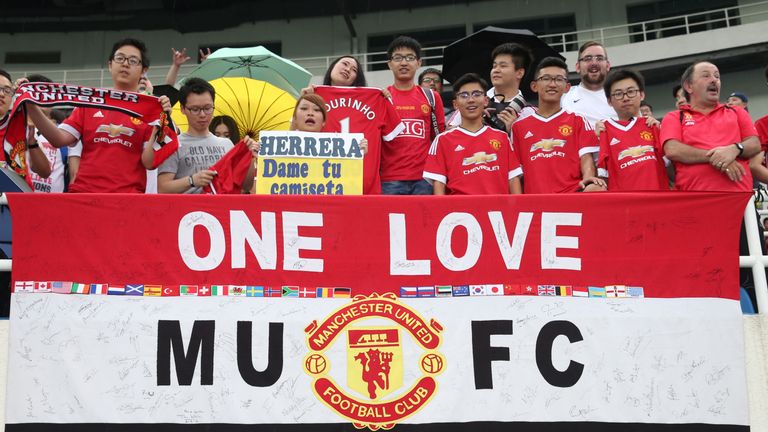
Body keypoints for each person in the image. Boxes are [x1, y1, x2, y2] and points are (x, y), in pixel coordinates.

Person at [25, 38, 172, 193]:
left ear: (144, 70)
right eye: (120, 58)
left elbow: (149, 162)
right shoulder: (89, 104)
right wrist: (30, 105)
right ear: (110, 65)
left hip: (127, 201)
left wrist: (159, 124)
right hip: (85, 197)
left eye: (133, 60)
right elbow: (59, 139)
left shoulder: (149, 111)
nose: (125, 63)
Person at [306, 56, 403, 194]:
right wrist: (305, 99)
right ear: (332, 66)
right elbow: (298, 133)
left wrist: (385, 100)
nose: (347, 69)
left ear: (355, 78)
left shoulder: (375, 98)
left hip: (362, 184)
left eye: (354, 70)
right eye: (344, 64)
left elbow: (393, 140)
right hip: (322, 182)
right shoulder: (314, 97)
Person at [661, 61, 759, 192]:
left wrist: (735, 149)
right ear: (689, 86)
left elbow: (754, 143)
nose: (714, 80)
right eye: (706, 76)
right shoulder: (675, 117)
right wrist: (721, 157)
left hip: (739, 201)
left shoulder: (736, 112)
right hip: (694, 202)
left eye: (717, 76)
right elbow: (673, 150)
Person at [511, 57, 600, 194]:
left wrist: (588, 179)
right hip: (536, 200)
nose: (552, 84)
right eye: (546, 78)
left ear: (567, 87)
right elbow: (516, 173)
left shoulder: (577, 120)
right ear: (534, 86)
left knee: (596, 189)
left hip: (571, 194)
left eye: (559, 79)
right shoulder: (519, 127)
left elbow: (586, 158)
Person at [423, 73, 521, 195]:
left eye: (477, 94)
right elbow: (439, 184)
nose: (471, 100)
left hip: (498, 211)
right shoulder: (443, 140)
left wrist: (516, 208)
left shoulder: (502, 137)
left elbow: (513, 178)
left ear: (485, 100)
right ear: (455, 104)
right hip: (460, 212)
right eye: (464, 95)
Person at [158, 78, 256, 194]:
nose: (203, 114)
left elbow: (245, 185)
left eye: (208, 108)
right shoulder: (174, 144)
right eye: (195, 109)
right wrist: (192, 180)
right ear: (183, 109)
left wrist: (250, 157)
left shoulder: (227, 144)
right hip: (188, 211)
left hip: (220, 209)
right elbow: (162, 188)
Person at [381, 36, 445, 195]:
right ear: (389, 64)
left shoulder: (431, 97)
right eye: (398, 58)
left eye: (410, 58)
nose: (404, 63)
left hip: (425, 179)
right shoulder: (382, 98)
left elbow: (439, 138)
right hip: (390, 180)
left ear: (419, 63)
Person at [593, 70, 668, 191]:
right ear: (609, 101)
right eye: (618, 94)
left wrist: (663, 133)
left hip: (659, 203)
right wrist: (598, 138)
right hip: (626, 207)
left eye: (631, 92)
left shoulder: (654, 127)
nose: (626, 98)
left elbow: (672, 171)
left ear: (642, 94)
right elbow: (603, 178)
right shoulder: (604, 130)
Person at [447, 42, 535, 132]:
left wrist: (514, 132)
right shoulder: (473, 102)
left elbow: (535, 144)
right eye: (494, 66)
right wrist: (472, 124)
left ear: (519, 73)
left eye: (503, 66)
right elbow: (448, 134)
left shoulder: (529, 112)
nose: (496, 70)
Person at [1, 69, 52, 188]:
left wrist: (32, 142)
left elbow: (45, 172)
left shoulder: (22, 126)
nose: (2, 94)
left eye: (7, 90)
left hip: (16, 199)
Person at [561, 41, 617, 128]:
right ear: (578, 67)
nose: (594, 63)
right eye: (587, 59)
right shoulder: (563, 97)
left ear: (608, 65)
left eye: (599, 58)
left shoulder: (622, 96)